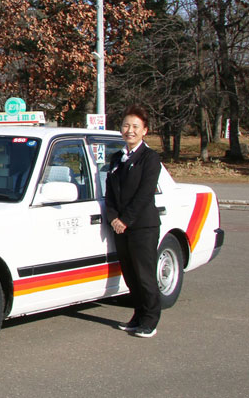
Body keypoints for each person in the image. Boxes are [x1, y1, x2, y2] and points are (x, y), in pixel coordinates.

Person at [105, 105, 162, 338]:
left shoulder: (150, 158)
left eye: (135, 126)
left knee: (144, 275)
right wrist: (113, 218)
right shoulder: (117, 157)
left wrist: (125, 220)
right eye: (126, 125)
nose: (130, 130)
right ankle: (138, 315)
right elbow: (109, 192)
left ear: (144, 131)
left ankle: (150, 319)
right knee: (129, 275)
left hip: (142, 227)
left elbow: (145, 193)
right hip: (120, 226)